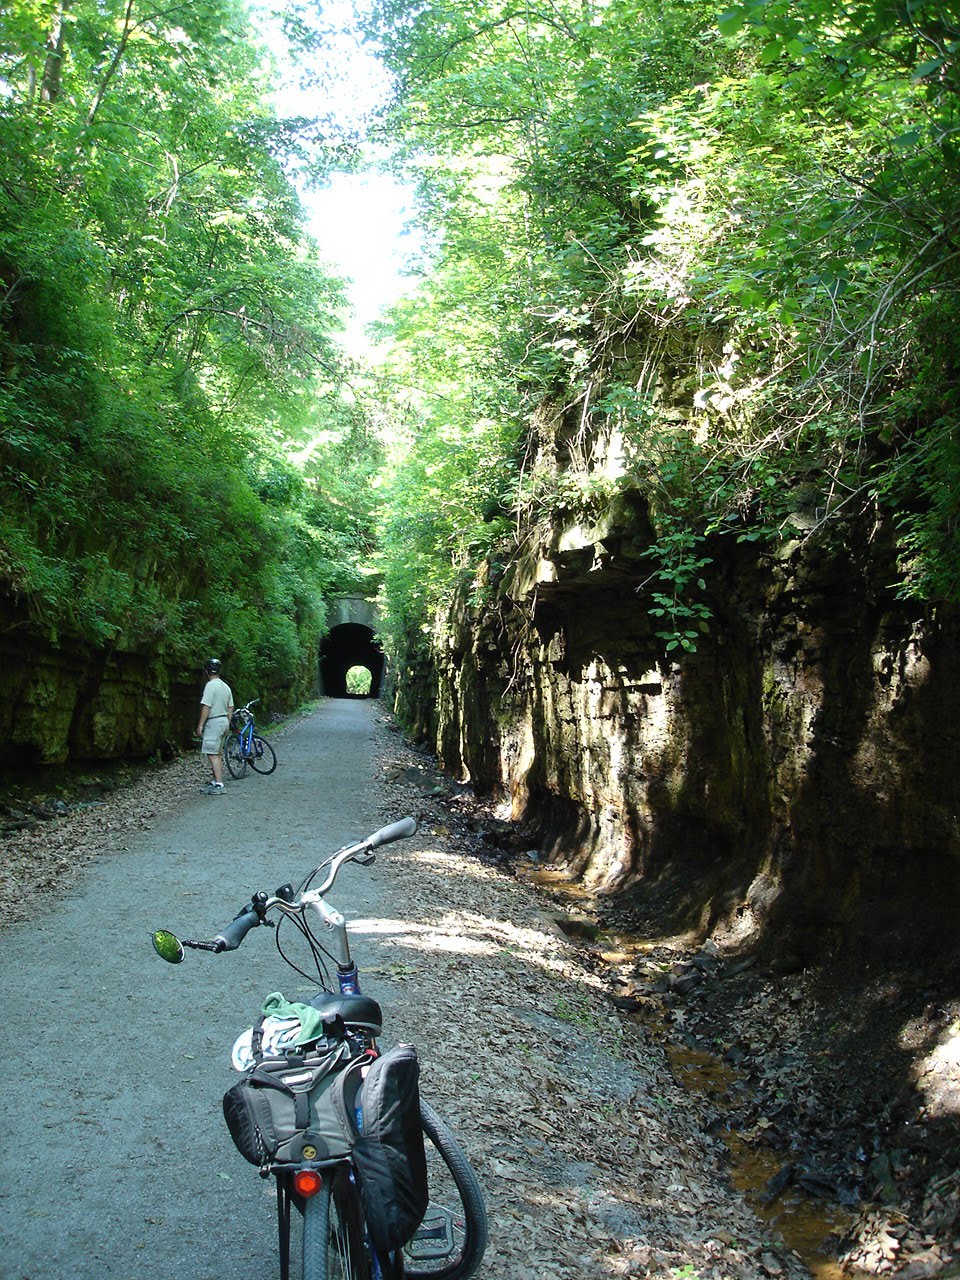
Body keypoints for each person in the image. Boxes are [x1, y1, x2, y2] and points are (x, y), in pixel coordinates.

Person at [196, 658, 234, 795]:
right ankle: (215, 781)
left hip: (214, 721)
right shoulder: (226, 686)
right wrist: (228, 723)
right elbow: (231, 707)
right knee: (216, 752)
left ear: (206, 671)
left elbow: (206, 706)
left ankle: (219, 784)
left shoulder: (210, 686)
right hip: (224, 720)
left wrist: (200, 725)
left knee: (212, 754)